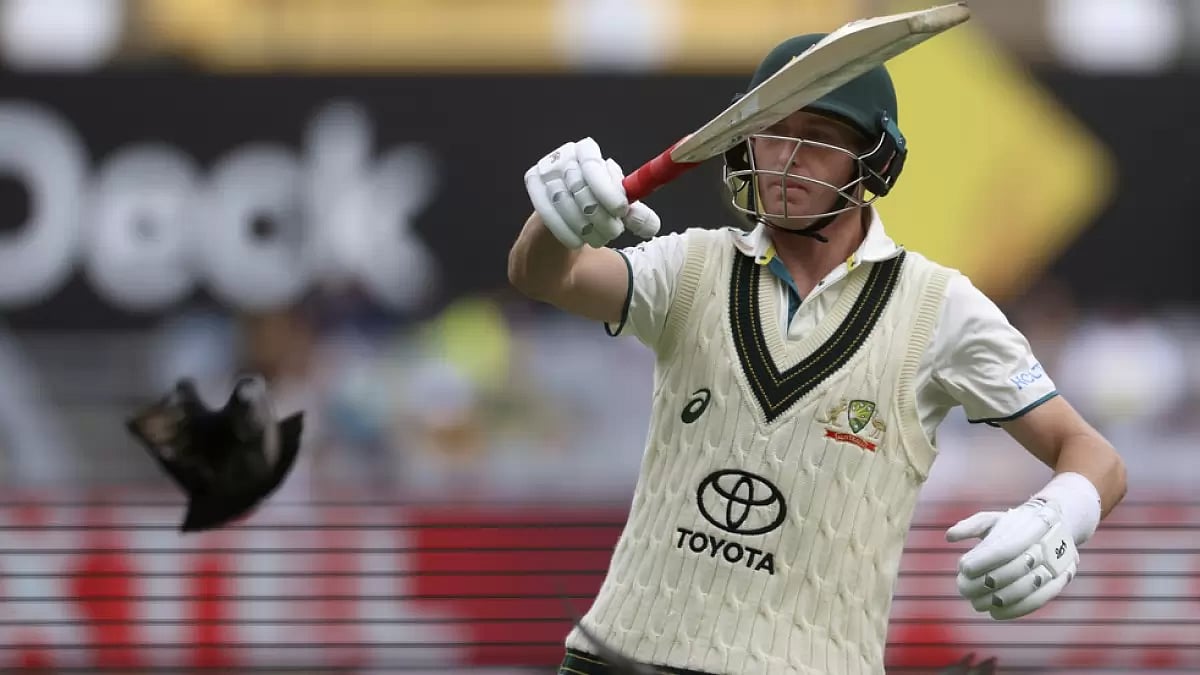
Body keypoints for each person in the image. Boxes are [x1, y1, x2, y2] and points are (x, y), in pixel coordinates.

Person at [508, 33, 1127, 675]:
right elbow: (546, 276)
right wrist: (556, 225)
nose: (788, 157)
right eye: (773, 131)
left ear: (874, 159)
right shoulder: (691, 265)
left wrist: (1059, 515)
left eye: (820, 137)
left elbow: (1094, 456)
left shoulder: (941, 307)